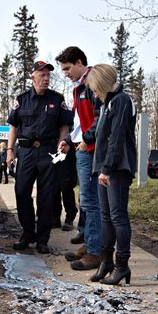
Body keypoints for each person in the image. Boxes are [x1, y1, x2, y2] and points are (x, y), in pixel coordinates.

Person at [6, 61, 72, 254]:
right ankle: (27, 234)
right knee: (21, 191)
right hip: (25, 152)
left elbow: (64, 127)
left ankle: (43, 239)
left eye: (48, 76)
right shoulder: (22, 99)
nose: (46, 79)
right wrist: (10, 151)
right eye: (42, 75)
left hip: (49, 152)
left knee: (47, 196)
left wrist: (61, 149)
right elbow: (13, 126)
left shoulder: (57, 100)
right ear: (33, 77)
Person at [85, 64, 137, 285]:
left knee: (118, 217)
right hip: (103, 167)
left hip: (117, 167)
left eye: (96, 89)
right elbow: (100, 135)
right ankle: (105, 263)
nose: (95, 94)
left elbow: (116, 138)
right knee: (106, 216)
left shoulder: (121, 100)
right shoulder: (106, 103)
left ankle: (122, 265)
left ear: (103, 84)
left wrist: (107, 169)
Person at [56, 46, 103, 271]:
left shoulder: (95, 82)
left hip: (93, 149)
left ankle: (96, 252)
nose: (65, 74)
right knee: (86, 201)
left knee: (92, 201)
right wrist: (69, 140)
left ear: (79, 62)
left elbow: (100, 118)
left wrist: (86, 138)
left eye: (67, 69)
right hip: (83, 147)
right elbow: (78, 120)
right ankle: (91, 243)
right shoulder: (77, 89)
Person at [52, 140, 78, 230]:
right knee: (53, 187)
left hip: (66, 151)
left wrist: (68, 142)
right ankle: (55, 217)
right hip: (52, 150)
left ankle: (70, 217)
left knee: (66, 186)